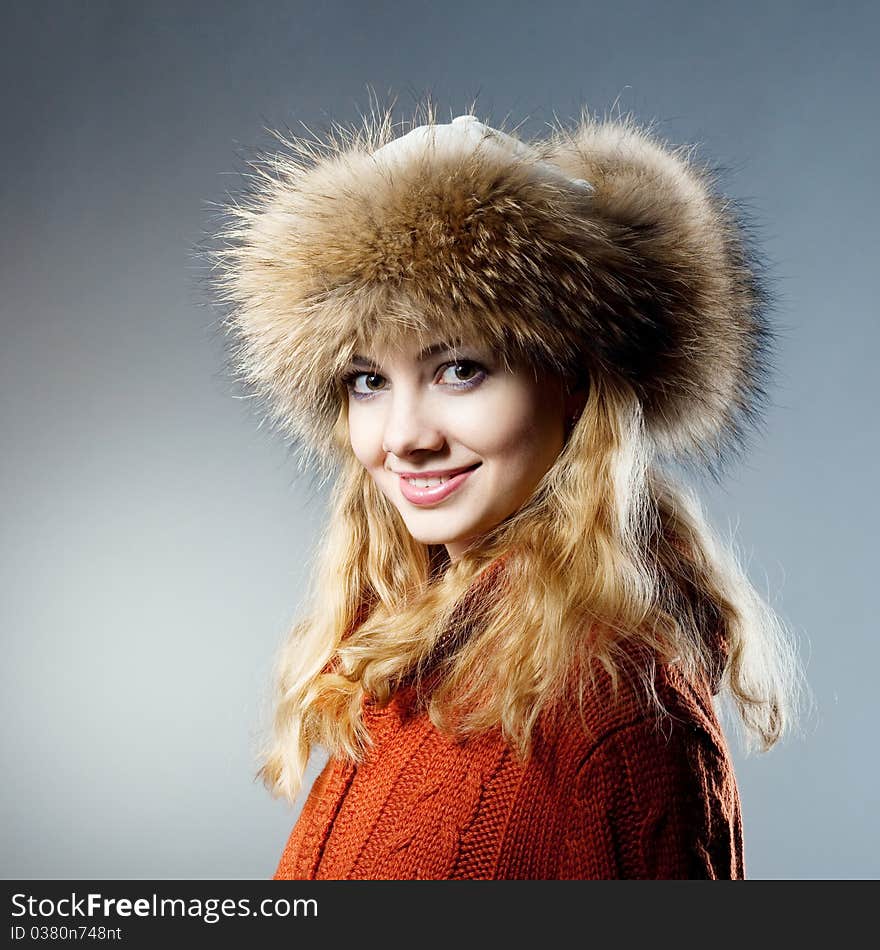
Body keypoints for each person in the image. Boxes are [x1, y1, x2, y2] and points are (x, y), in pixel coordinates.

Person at [212, 103, 803, 879]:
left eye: (460, 368)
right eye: (367, 380)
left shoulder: (624, 720)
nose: (402, 435)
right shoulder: (399, 658)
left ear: (573, 386)